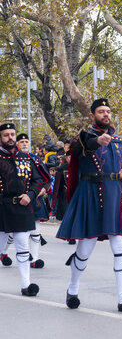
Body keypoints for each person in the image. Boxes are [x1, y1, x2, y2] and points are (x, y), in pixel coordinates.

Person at [56, 99, 122, 312]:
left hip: (116, 195)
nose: (106, 114)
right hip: (91, 194)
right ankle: (72, 289)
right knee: (84, 249)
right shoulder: (83, 139)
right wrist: (97, 142)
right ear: (93, 115)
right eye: (101, 111)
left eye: (108, 111)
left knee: (120, 247)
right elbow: (79, 147)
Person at [0, 123, 49, 296]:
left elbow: (39, 180)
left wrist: (30, 194)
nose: (11, 138)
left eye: (12, 134)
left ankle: (26, 285)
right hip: (2, 207)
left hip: (22, 206)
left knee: (22, 244)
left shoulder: (26, 158)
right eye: (6, 135)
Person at [16, 132, 51, 269]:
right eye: (22, 142)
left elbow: (45, 177)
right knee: (13, 233)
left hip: (35, 198)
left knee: (35, 231)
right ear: (17, 144)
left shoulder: (35, 158)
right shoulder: (12, 158)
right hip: (18, 199)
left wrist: (43, 189)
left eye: (26, 141)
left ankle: (34, 259)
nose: (24, 144)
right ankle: (3, 252)